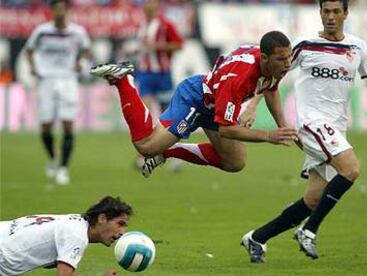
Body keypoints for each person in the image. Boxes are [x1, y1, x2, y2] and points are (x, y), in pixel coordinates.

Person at [240, 0, 367, 263]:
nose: (330, 17)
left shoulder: (357, 46)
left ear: (346, 13)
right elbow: (273, 76)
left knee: (313, 199)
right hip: (312, 123)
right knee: (351, 169)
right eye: (326, 11)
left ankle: (257, 238)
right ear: (320, 13)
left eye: (336, 12)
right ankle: (309, 231)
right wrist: (252, 104)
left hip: (337, 127)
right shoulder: (305, 45)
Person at [90, 31, 298, 177]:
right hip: (195, 99)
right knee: (147, 146)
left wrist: (283, 126)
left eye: (289, 57)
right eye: (282, 59)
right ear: (264, 58)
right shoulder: (238, 80)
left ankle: (168, 151)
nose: (288, 64)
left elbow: (270, 88)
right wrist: (268, 135)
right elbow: (226, 130)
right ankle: (124, 80)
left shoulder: (273, 64)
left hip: (215, 102)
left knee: (235, 162)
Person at [26, 0, 91, 185]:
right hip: (46, 80)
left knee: (68, 124)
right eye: (56, 9)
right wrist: (32, 66)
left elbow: (87, 50)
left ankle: (63, 168)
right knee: (45, 126)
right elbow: (29, 50)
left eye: (63, 9)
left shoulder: (77, 31)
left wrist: (81, 62)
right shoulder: (42, 31)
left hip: (68, 80)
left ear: (67, 10)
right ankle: (53, 156)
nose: (59, 12)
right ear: (52, 11)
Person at [0, 196, 133, 275]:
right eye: (120, 224)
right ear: (102, 218)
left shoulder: (76, 223)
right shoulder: (77, 235)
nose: (122, 232)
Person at [133, 0, 184, 173]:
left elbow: (178, 44)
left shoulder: (165, 24)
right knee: (144, 113)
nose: (148, 7)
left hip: (162, 74)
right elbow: (143, 48)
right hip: (145, 74)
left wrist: (158, 46)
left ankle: (176, 154)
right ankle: (144, 155)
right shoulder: (141, 24)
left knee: (167, 115)